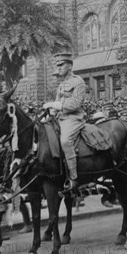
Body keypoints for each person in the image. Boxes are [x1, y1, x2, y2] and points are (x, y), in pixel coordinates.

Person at [42, 52, 86, 192]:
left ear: (70, 65)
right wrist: (47, 116)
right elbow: (56, 105)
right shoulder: (62, 85)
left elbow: (75, 104)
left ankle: (73, 178)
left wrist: (53, 105)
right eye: (57, 65)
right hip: (60, 118)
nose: (58, 68)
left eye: (61, 65)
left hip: (74, 118)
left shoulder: (78, 81)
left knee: (65, 141)